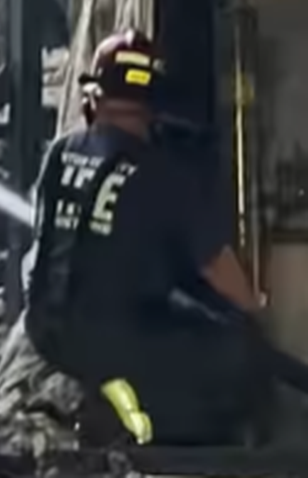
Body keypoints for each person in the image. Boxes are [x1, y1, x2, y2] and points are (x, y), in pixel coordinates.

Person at [24, 28, 272, 446]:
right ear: (154, 104)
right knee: (232, 348)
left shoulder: (59, 153)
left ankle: (107, 403)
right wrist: (254, 308)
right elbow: (216, 266)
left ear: (94, 98)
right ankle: (162, 435)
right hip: (117, 337)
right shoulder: (164, 172)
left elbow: (42, 247)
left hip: (47, 328)